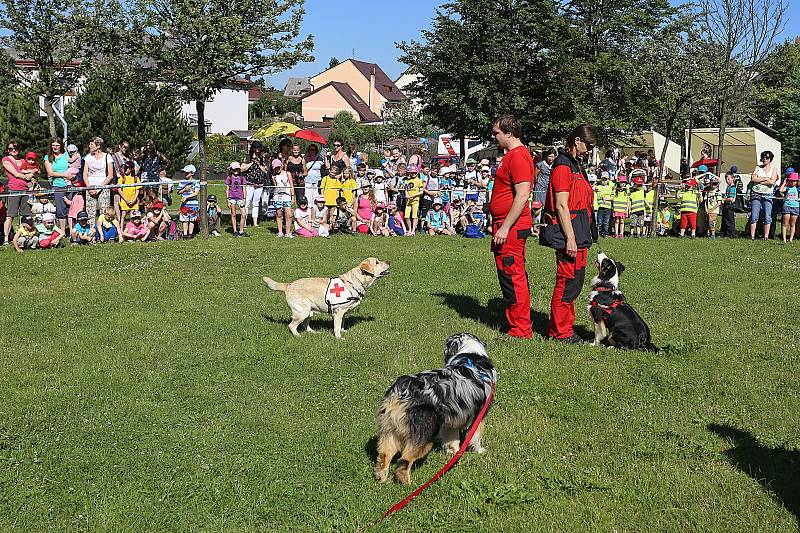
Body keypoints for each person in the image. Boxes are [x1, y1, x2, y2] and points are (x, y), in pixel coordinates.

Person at [541, 124, 598, 343]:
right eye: (589, 145)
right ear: (577, 141)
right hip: (570, 235)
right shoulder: (563, 166)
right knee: (566, 283)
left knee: (574, 283)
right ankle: (560, 332)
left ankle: (566, 327)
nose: (590, 150)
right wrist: (571, 239)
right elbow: (561, 205)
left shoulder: (576, 166)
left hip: (581, 233)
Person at [488, 115, 535, 339]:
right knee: (509, 275)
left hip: (512, 228)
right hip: (506, 224)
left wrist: (505, 227)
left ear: (509, 132)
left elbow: (522, 195)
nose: (494, 136)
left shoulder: (518, 157)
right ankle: (516, 325)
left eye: (496, 132)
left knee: (512, 275)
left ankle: (520, 330)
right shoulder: (512, 156)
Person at [3, 140, 33, 244]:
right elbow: (16, 174)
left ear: (19, 149)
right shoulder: (6, 160)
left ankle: (24, 235)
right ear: (7, 150)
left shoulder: (23, 161)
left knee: (25, 214)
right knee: (10, 215)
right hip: (14, 190)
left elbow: (33, 170)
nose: (13, 150)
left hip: (25, 190)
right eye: (11, 148)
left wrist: (33, 175)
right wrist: (27, 176)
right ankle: (6, 239)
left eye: (15, 148)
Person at [83, 137, 114, 225]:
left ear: (98, 145)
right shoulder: (88, 157)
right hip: (90, 187)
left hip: (103, 187)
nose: (89, 146)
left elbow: (110, 175)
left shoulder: (107, 156)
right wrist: (89, 188)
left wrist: (99, 189)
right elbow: (85, 174)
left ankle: (104, 233)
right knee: (90, 213)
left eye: (91, 144)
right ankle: (91, 234)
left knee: (105, 212)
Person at [43, 137, 71, 233]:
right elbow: (50, 172)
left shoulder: (67, 155)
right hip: (58, 185)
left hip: (70, 185)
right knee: (61, 209)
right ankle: (62, 231)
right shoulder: (48, 157)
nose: (55, 147)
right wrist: (64, 175)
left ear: (61, 146)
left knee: (71, 208)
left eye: (57, 145)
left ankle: (72, 231)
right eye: (53, 145)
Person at [749, 151, 779, 240]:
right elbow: (753, 178)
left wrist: (759, 180)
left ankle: (766, 236)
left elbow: (772, 181)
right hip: (756, 193)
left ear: (770, 159)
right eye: (763, 157)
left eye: (767, 157)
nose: (765, 159)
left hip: (768, 194)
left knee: (767, 216)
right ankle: (752, 236)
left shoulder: (774, 169)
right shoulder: (758, 167)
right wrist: (765, 179)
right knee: (754, 216)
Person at [240, 140, 269, 227]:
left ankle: (255, 222)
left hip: (259, 183)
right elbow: (242, 169)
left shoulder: (262, 158)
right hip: (249, 183)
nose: (257, 150)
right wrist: (252, 163)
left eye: (259, 148)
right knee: (247, 202)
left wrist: (259, 164)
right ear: (253, 148)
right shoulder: (248, 157)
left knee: (256, 203)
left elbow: (265, 170)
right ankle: (244, 222)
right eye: (256, 148)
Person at [272, 158, 294, 238]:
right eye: (275, 167)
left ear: (281, 166)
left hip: (287, 196)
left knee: (289, 215)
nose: (277, 169)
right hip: (277, 196)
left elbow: (291, 185)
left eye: (278, 167)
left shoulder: (287, 174)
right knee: (279, 214)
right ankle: (280, 232)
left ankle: (288, 232)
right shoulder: (274, 176)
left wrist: (293, 196)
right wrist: (273, 180)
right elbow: (275, 187)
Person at [177, 165, 200, 238]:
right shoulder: (182, 182)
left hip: (193, 204)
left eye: (187, 173)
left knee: (192, 220)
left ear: (192, 173)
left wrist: (186, 197)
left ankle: (190, 234)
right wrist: (184, 189)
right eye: (185, 173)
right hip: (184, 205)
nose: (185, 174)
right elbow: (178, 192)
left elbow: (196, 193)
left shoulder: (196, 182)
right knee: (185, 220)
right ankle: (185, 234)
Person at [225, 162, 247, 236]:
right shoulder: (229, 178)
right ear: (231, 170)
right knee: (233, 214)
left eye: (237, 169)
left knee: (244, 214)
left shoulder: (242, 178)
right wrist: (228, 200)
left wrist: (244, 199)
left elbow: (244, 189)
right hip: (232, 198)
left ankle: (241, 230)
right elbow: (227, 189)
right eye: (234, 169)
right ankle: (235, 231)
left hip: (240, 198)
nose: (236, 171)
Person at [404, 164, 423, 235]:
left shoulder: (419, 180)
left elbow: (421, 191)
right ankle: (409, 229)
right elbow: (405, 189)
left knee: (414, 216)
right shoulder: (407, 181)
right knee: (406, 216)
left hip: (415, 201)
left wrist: (413, 195)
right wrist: (406, 194)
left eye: (414, 172)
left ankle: (413, 231)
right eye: (412, 172)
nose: (413, 174)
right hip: (408, 201)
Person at [780, 172, 799, 242]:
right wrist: (784, 182)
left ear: (797, 181)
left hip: (795, 207)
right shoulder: (787, 188)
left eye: (794, 181)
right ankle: (784, 239)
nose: (792, 182)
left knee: (792, 224)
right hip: (787, 206)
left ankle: (791, 239)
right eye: (791, 180)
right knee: (785, 224)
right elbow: (781, 190)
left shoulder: (798, 189)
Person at [594, 172, 613, 237]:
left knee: (606, 222)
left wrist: (608, 198)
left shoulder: (610, 187)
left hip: (608, 208)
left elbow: (612, 197)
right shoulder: (598, 187)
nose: (604, 181)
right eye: (603, 179)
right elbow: (593, 187)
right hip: (600, 207)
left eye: (606, 180)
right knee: (599, 222)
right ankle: (599, 233)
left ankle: (606, 233)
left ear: (608, 180)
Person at [720, 171, 738, 238]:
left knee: (729, 221)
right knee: (724, 221)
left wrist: (723, 199)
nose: (727, 181)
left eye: (728, 179)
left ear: (733, 178)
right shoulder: (728, 187)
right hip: (726, 206)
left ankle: (731, 234)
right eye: (726, 179)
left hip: (730, 206)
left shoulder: (733, 188)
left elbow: (731, 198)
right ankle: (724, 233)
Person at [628, 172, 646, 237]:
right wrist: (629, 209)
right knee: (633, 223)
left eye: (640, 185)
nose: (639, 186)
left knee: (640, 223)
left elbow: (644, 199)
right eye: (638, 185)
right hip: (634, 210)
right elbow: (629, 201)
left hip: (641, 210)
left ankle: (638, 234)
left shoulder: (642, 191)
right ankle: (631, 233)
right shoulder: (631, 192)